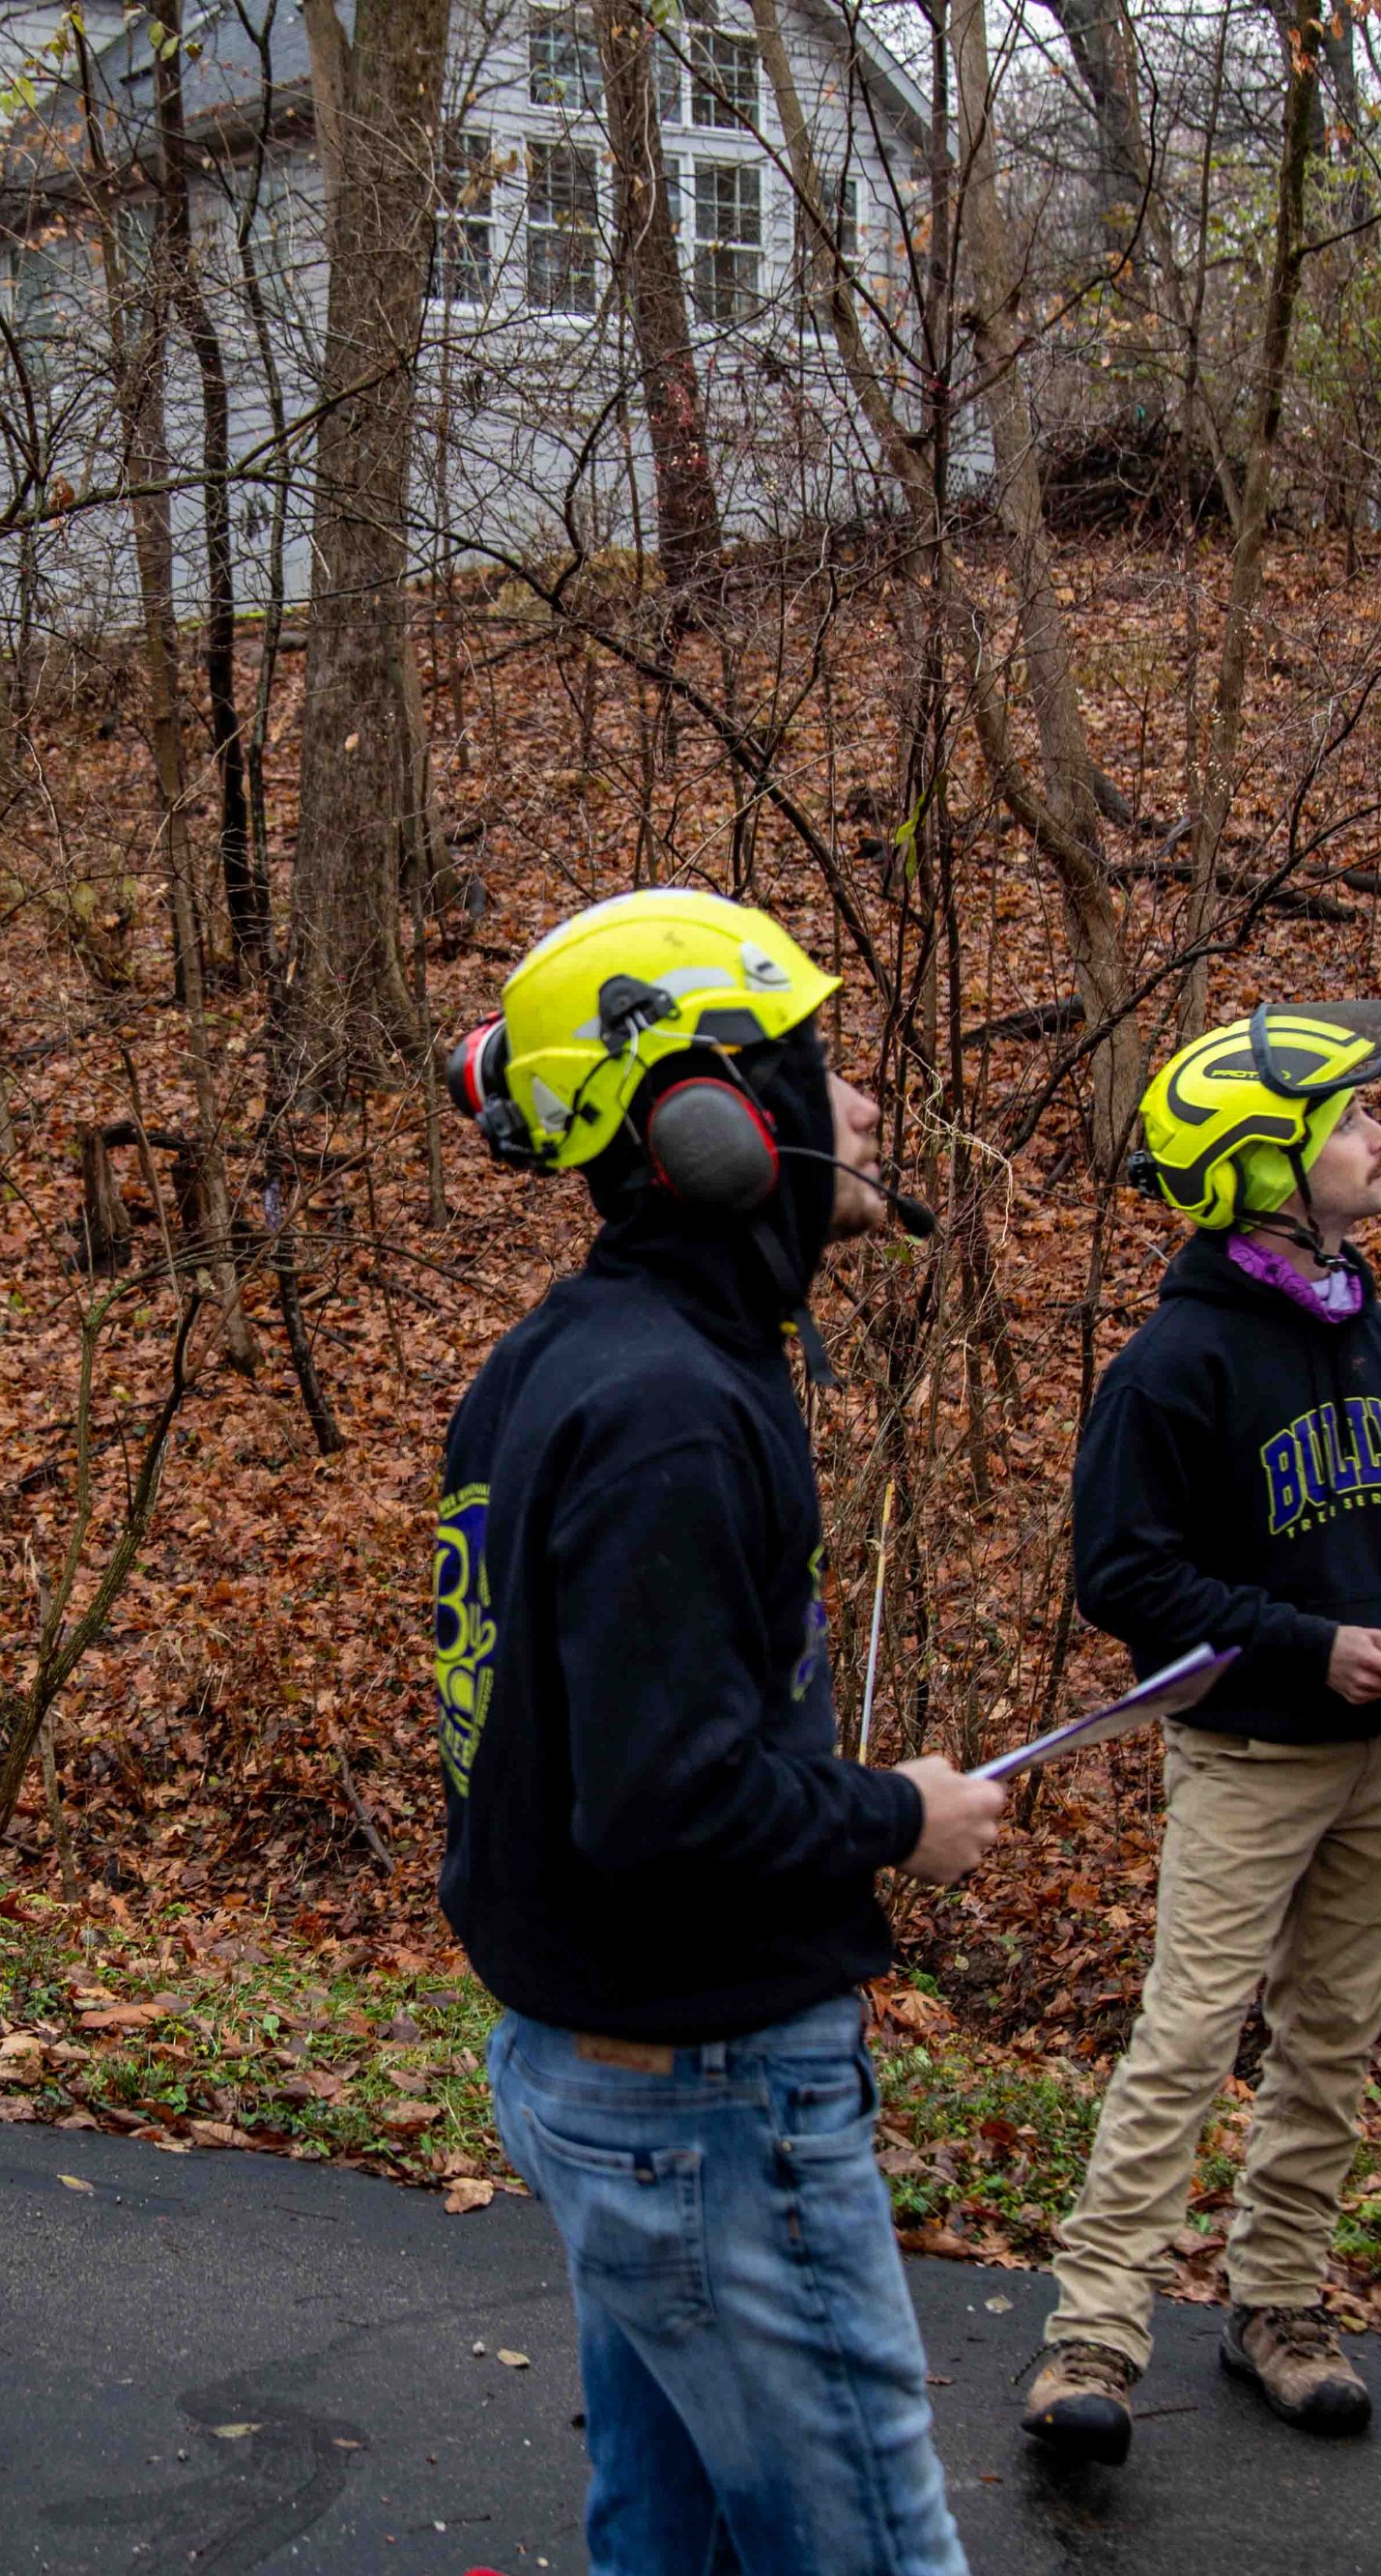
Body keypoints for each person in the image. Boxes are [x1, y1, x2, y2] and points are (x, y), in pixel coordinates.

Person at [432, 888, 1009, 2576]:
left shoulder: (578, 1358)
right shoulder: (668, 1408)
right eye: (820, 1070)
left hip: (619, 2073)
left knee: (665, 2542)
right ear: (711, 1123)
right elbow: (663, 1807)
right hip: (705, 2100)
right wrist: (896, 1815)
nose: (864, 1105)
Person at [1018, 1000, 1381, 2466]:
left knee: (1332, 2042)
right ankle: (1093, 2333)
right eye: (1352, 1118)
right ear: (1262, 1164)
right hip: (1244, 1760)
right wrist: (1304, 1644)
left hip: (1375, 1766)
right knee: (1187, 2038)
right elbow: (1122, 1576)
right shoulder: (1176, 1362)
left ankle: (1278, 2302)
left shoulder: (1378, 1338)